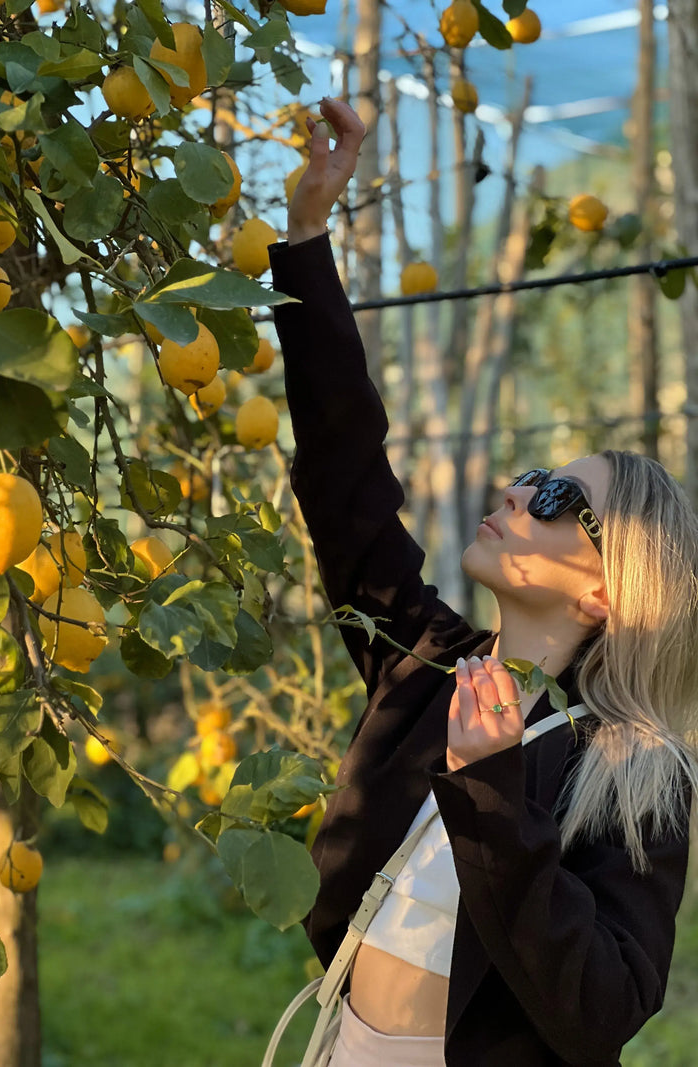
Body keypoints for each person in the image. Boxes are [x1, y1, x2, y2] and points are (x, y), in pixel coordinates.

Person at [267, 97, 698, 1066]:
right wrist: (303, 237)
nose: (513, 489)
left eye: (552, 495)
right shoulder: (424, 664)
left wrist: (493, 788)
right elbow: (345, 479)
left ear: (607, 591)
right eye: (529, 475)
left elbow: (599, 1009)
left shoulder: (633, 768)